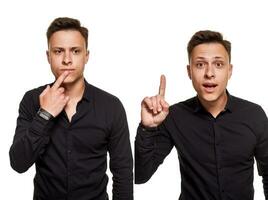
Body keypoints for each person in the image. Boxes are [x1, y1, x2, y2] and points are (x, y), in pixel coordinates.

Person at [9, 17, 133, 200]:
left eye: (75, 51)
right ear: (48, 56)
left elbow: (122, 173)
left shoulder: (111, 106)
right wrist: (45, 114)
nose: (67, 60)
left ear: (86, 56)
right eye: (58, 51)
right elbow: (19, 163)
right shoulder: (31, 100)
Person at [135, 30, 268, 199]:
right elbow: (140, 175)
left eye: (218, 64)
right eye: (200, 64)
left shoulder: (254, 115)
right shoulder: (174, 116)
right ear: (189, 71)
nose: (209, 73)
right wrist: (148, 129)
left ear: (230, 70)